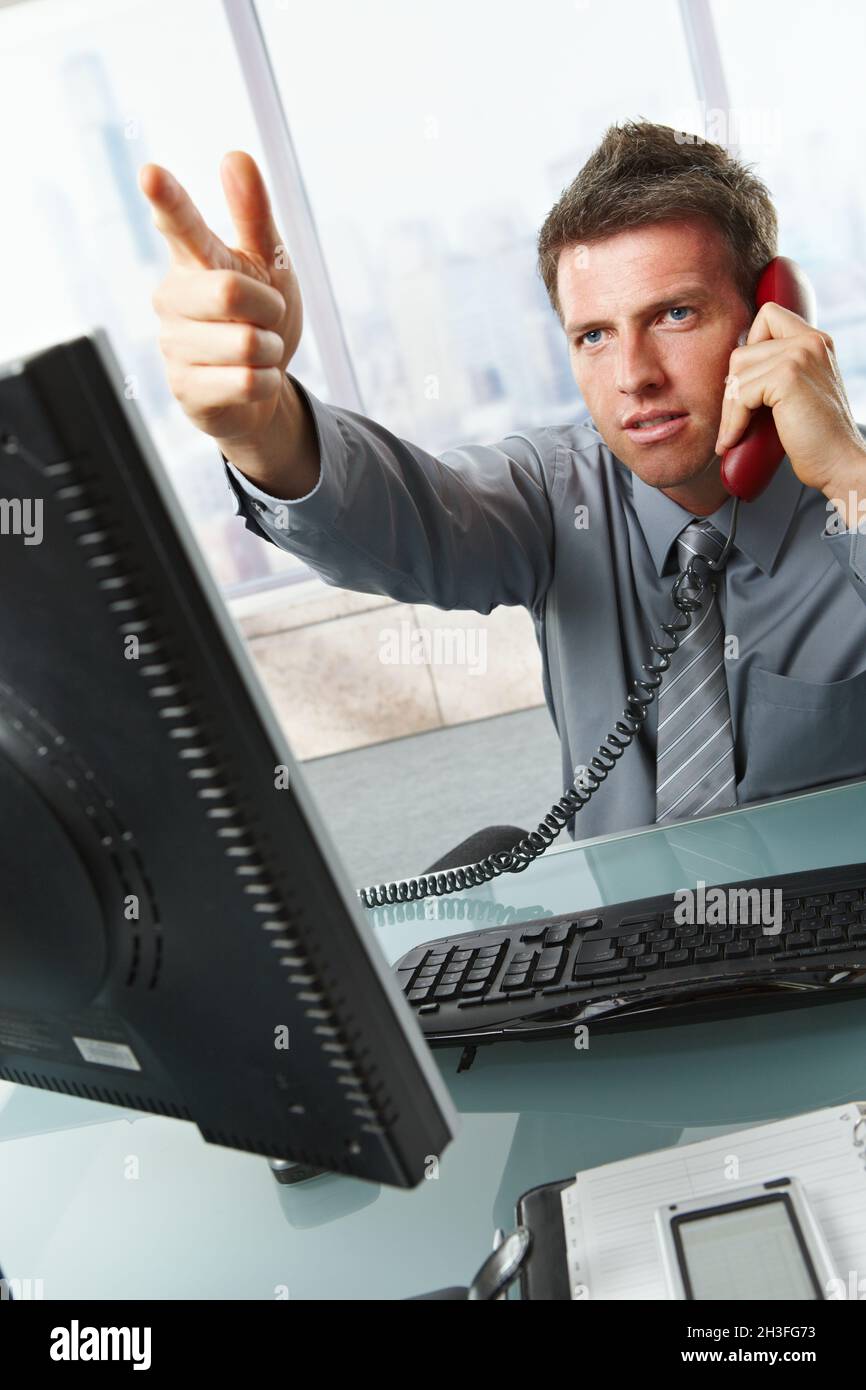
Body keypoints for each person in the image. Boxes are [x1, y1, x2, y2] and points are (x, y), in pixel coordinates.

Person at [139, 120, 866, 855]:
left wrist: (848, 477)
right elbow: (404, 514)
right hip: (627, 951)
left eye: (675, 315)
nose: (633, 375)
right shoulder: (556, 492)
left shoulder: (853, 494)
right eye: (594, 336)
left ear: (773, 318)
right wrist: (264, 427)